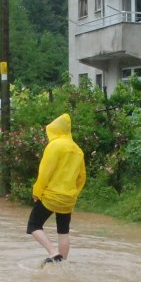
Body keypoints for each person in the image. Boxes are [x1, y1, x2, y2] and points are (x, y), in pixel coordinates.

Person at [27, 113, 86, 264]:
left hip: (50, 196)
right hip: (68, 198)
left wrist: (37, 192)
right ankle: (62, 264)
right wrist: (74, 193)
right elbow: (81, 178)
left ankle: (53, 252)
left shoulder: (54, 146)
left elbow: (45, 172)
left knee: (33, 225)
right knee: (63, 231)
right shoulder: (77, 150)